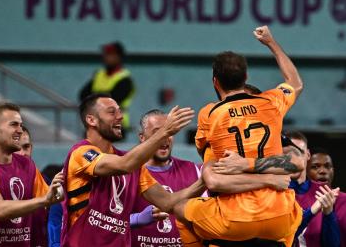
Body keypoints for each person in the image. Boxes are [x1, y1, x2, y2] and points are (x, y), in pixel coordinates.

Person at [174, 25, 304, 247]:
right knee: (294, 214)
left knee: (179, 210)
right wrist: (271, 43)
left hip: (234, 220)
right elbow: (296, 83)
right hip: (279, 218)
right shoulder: (271, 103)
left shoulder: (209, 113)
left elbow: (207, 156)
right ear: (245, 77)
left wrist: (240, 162)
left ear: (215, 82)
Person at [60, 93, 205, 247]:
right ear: (91, 120)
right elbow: (124, 165)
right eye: (112, 112)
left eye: (120, 111)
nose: (120, 116)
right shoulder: (81, 153)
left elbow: (167, 202)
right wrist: (165, 131)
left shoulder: (135, 165)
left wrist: (204, 181)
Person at [0, 103, 64, 246]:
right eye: (14, 125)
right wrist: (45, 199)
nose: (20, 130)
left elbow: (50, 205)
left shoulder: (27, 166)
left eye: (21, 125)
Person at [130, 109, 204, 247]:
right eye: (158, 132)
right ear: (142, 137)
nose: (165, 137)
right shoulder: (128, 174)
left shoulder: (195, 171)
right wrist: (137, 219)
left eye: (170, 131)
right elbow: (110, 222)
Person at [281, 133, 341, 247]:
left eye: (299, 153)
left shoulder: (323, 192)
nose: (293, 161)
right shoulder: (272, 192)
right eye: (287, 155)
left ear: (308, 155)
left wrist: (328, 213)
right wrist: (312, 211)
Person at [79, 42, 135, 131]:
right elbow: (83, 95)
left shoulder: (124, 78)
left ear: (119, 57)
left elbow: (113, 99)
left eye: (110, 54)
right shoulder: (99, 74)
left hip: (116, 125)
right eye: (105, 54)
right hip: (95, 124)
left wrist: (94, 96)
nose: (106, 57)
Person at [295, 147, 345, 247]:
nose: (322, 171)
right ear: (306, 171)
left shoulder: (344, 200)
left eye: (327, 166)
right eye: (315, 167)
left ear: (333, 171)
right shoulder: (295, 199)